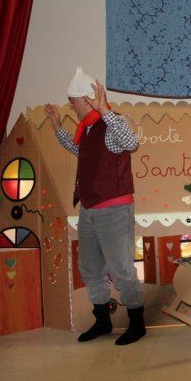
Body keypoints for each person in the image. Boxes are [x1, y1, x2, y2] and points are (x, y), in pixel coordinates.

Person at [44, 67, 146, 346]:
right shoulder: (88, 129)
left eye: (72, 100)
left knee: (121, 268)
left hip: (114, 208)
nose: (70, 105)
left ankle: (137, 323)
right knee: (89, 266)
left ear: (86, 100)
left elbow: (131, 142)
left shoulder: (112, 123)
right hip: (89, 208)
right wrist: (57, 127)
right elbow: (81, 151)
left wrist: (105, 111)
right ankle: (102, 321)